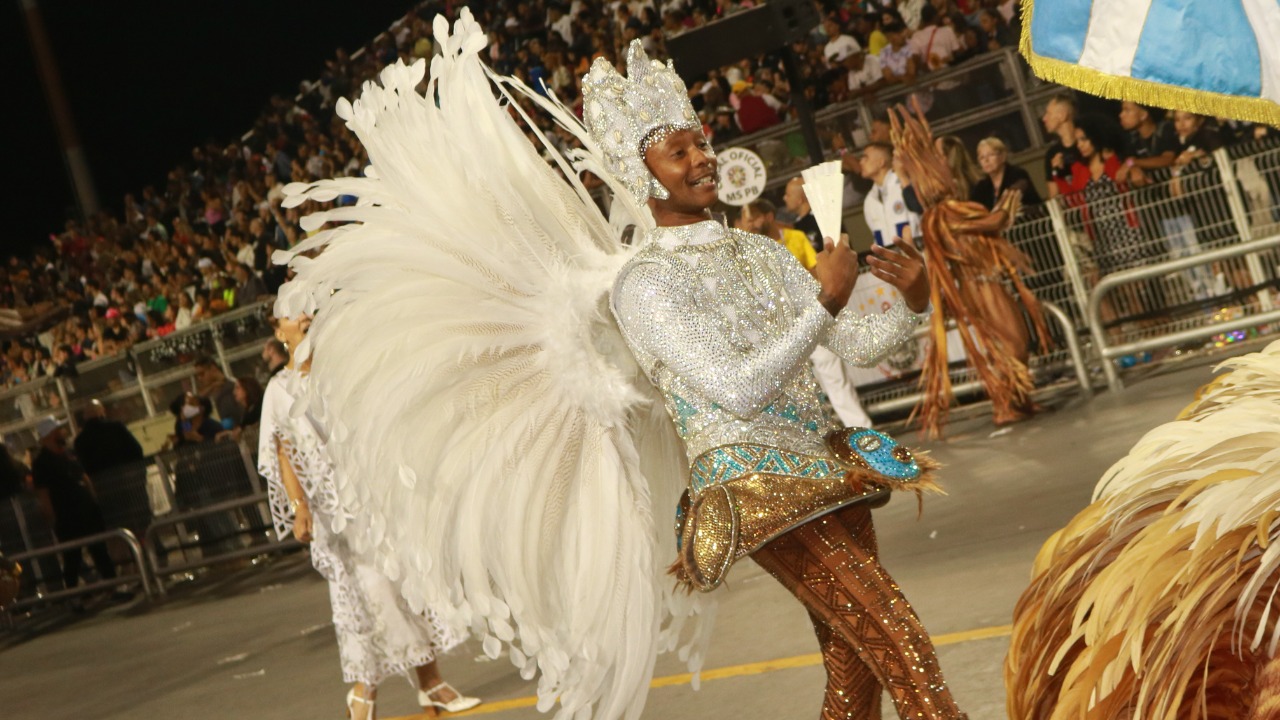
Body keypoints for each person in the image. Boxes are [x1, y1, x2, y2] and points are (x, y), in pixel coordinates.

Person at [273, 20, 964, 720]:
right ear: (641, 173)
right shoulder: (646, 285)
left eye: (702, 142)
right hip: (752, 483)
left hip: (826, 467)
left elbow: (856, 345)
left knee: (858, 664)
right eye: (679, 150)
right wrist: (823, 300)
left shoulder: (758, 254)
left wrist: (912, 302)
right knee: (901, 640)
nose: (702, 158)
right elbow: (734, 387)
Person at [260, 315, 479, 720]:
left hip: (375, 500)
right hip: (335, 517)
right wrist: (299, 507)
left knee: (405, 586)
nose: (306, 317)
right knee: (371, 598)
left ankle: (423, 685)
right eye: (295, 314)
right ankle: (373, 690)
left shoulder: (341, 372)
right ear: (280, 332)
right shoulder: (278, 391)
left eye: (310, 311)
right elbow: (283, 453)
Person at [30, 417, 126, 599]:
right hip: (67, 515)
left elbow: (83, 476)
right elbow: (43, 493)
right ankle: (74, 596)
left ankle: (113, 588)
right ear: (50, 435)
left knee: (99, 551)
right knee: (72, 557)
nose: (63, 432)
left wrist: (93, 499)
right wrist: (52, 518)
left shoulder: (68, 453)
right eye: (59, 429)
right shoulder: (42, 463)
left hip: (87, 510)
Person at [860, 142, 920, 247]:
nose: (861, 162)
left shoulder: (904, 185)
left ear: (881, 162)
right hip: (890, 260)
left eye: (866, 158)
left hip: (917, 254)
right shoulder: (869, 200)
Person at [972, 136, 1042, 209]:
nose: (986, 160)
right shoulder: (981, 186)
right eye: (982, 157)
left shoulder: (1018, 175)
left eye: (991, 155)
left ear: (1003, 156)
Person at [192, 355, 244, 429]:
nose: (199, 379)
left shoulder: (233, 388)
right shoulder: (212, 392)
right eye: (198, 376)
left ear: (213, 368)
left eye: (202, 374)